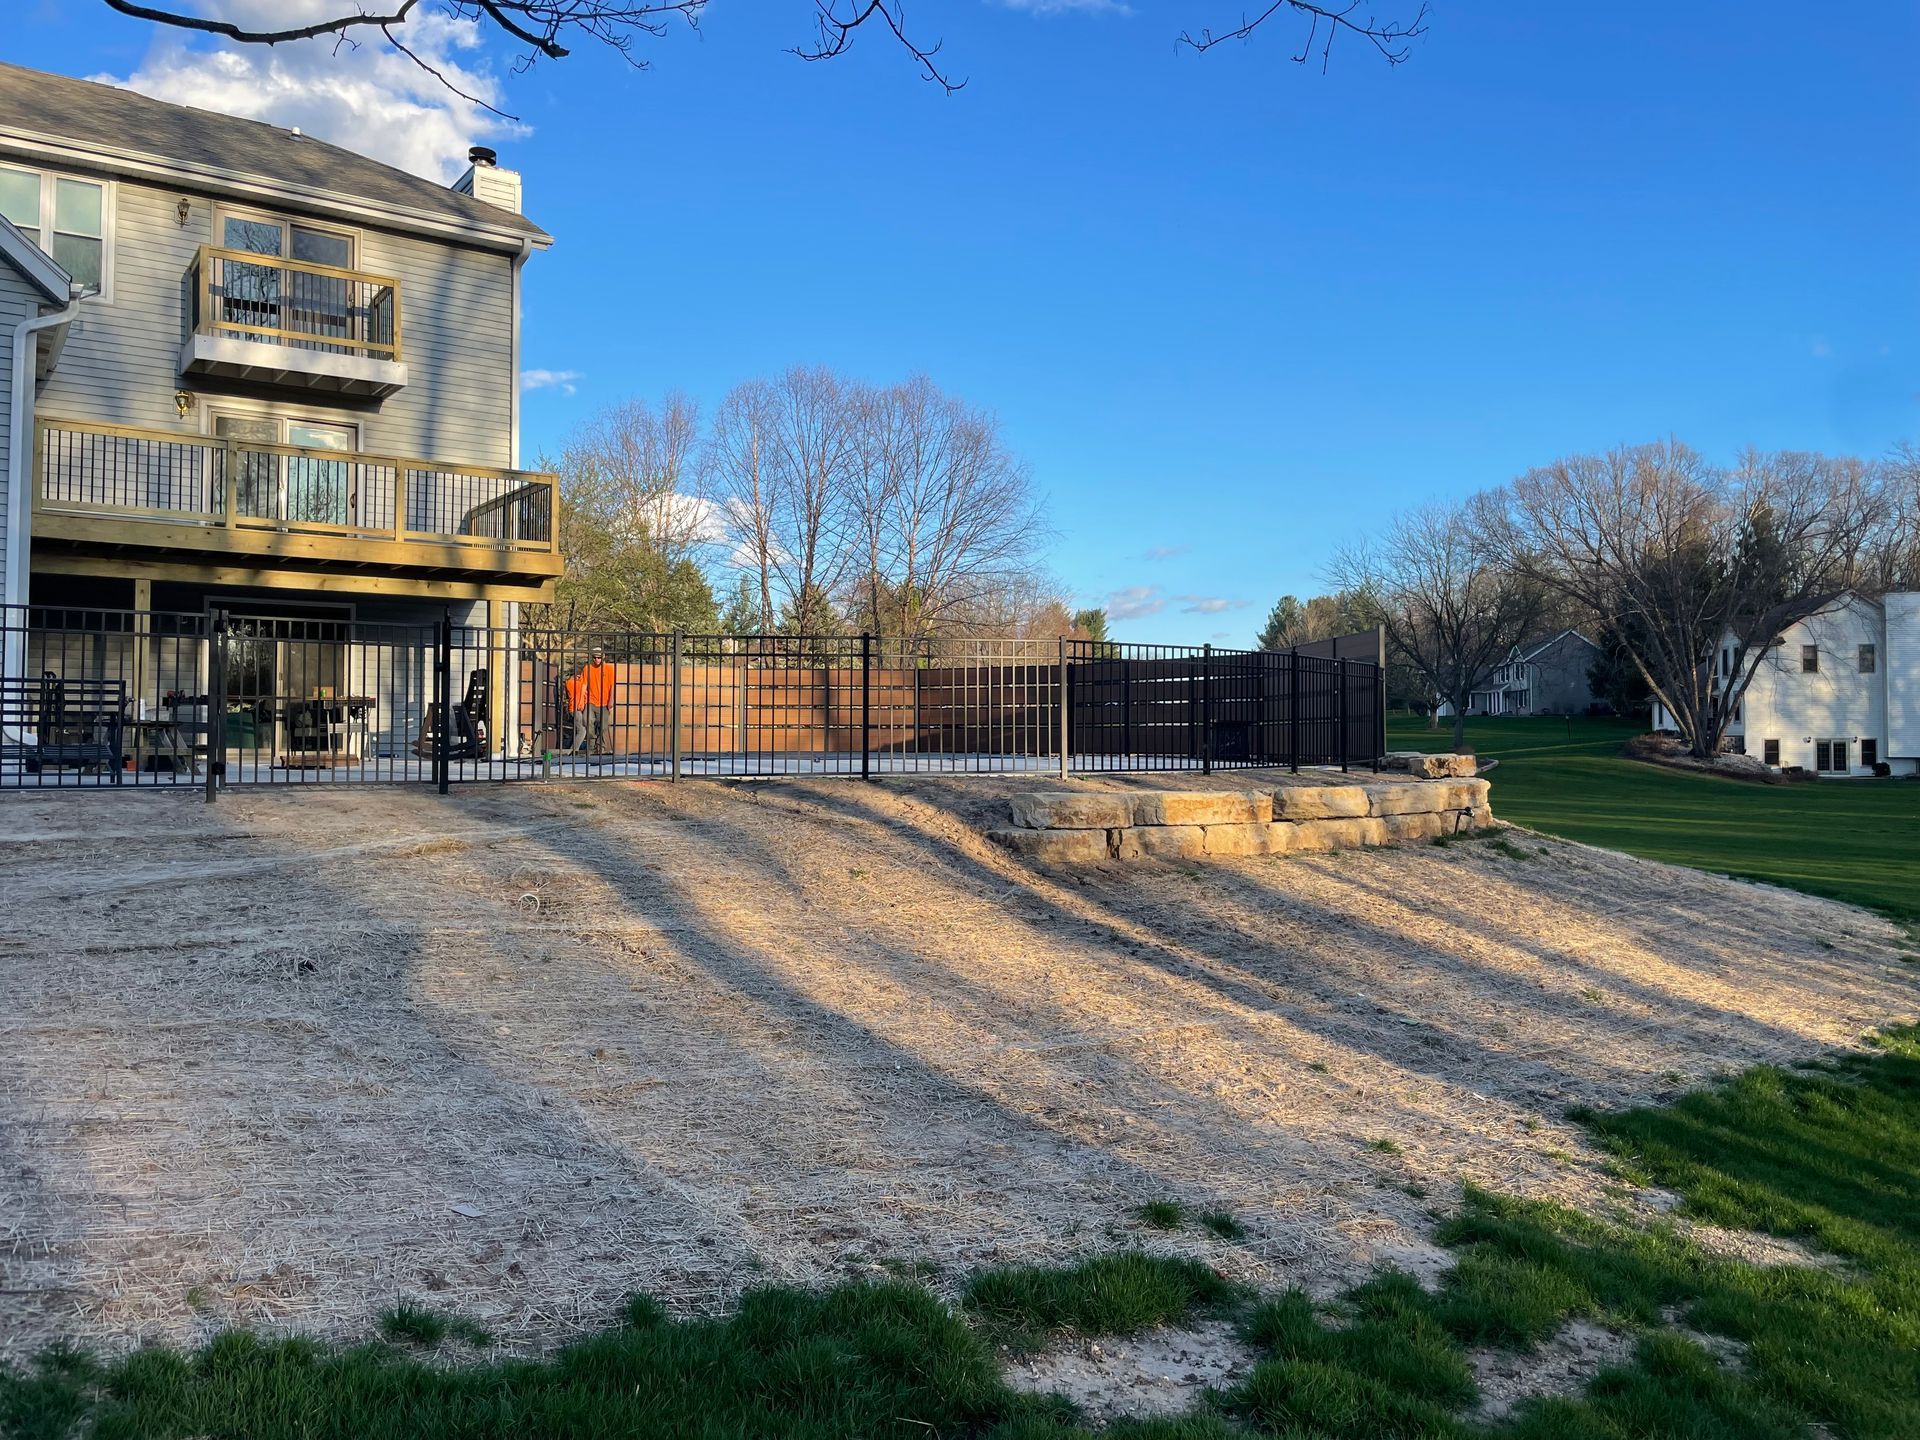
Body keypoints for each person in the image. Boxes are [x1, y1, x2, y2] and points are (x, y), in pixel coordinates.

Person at [570, 646, 616, 756]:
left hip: (604, 702)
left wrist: (611, 700)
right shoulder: (587, 668)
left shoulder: (609, 669)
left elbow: (612, 686)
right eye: (595, 657)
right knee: (587, 721)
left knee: (603, 726)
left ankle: (601, 747)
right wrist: (581, 700)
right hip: (591, 701)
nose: (597, 660)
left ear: (603, 657)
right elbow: (584, 685)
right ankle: (591, 746)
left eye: (599, 657)